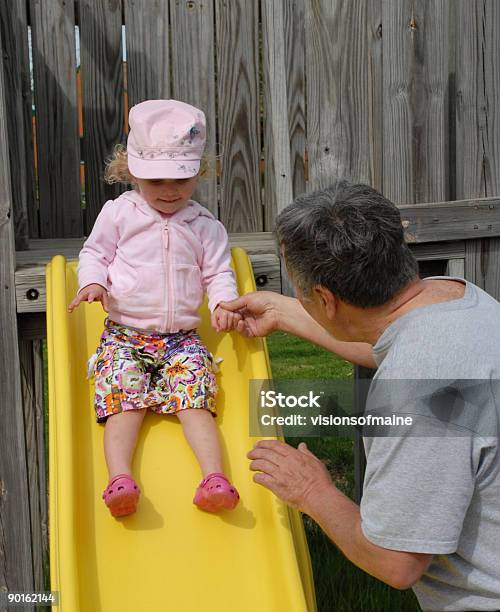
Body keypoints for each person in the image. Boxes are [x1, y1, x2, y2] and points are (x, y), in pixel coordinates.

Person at [221, 180, 500, 611]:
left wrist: (312, 491)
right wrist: (283, 311)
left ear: (326, 299)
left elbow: (396, 563)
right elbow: (385, 341)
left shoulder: (416, 389)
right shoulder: (457, 297)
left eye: (302, 293)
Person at [69, 99, 241, 517]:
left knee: (195, 400)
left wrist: (222, 304)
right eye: (156, 180)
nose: (169, 191)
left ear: (198, 174)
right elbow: (95, 254)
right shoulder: (118, 214)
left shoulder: (205, 226)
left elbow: (219, 273)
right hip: (124, 336)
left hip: (182, 339)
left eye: (180, 181)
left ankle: (213, 479)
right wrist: (92, 281)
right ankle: (120, 479)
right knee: (124, 401)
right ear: (130, 172)